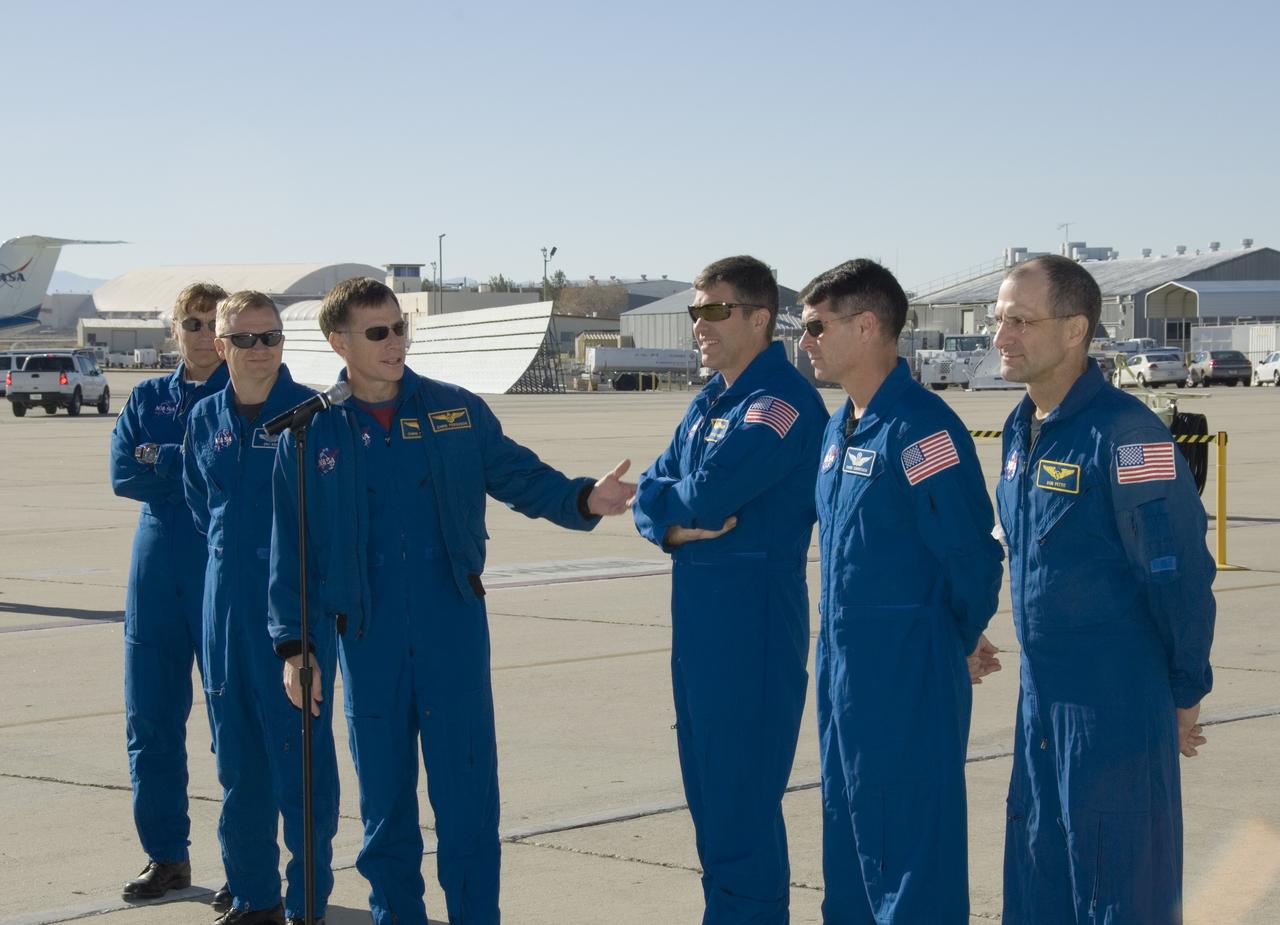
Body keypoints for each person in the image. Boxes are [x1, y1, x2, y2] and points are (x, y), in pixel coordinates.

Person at [267, 278, 635, 925]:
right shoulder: (311, 434)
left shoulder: (456, 413)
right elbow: (292, 552)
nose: (393, 342)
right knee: (385, 813)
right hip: (369, 641)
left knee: (468, 803)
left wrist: (584, 498)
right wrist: (297, 646)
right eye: (376, 332)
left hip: (453, 633)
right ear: (339, 341)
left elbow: (521, 476)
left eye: (399, 327)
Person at [993, 254, 1215, 924]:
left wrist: (1184, 689)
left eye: (1020, 321)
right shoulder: (1018, 428)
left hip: (1114, 704)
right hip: (1040, 702)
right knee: (1039, 882)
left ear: (1074, 330)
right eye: (998, 318)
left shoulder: (1128, 434)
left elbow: (1177, 570)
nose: (1001, 335)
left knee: (1124, 891)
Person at [796, 259, 1003, 923]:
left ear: (865, 326)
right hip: (843, 666)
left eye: (815, 327)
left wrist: (956, 636)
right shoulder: (841, 426)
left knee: (913, 845)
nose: (806, 342)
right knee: (850, 832)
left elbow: (971, 554)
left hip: (906, 667)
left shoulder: (922, 430)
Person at [630, 255, 828, 924]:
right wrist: (672, 525)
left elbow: (710, 495)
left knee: (741, 807)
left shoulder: (781, 403)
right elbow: (647, 497)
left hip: (752, 634)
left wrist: (675, 508)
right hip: (700, 635)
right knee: (711, 808)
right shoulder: (710, 400)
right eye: (695, 310)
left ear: (759, 318)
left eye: (714, 310)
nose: (699, 325)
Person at [183, 291, 340, 925]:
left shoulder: (313, 417)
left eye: (270, 337)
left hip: (294, 614)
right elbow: (203, 507)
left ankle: (306, 902)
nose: (259, 350)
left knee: (302, 768)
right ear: (220, 347)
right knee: (237, 763)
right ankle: (253, 897)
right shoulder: (204, 420)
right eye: (244, 339)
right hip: (222, 615)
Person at [110, 282, 234, 907]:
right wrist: (181, 463)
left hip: (221, 569)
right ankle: (167, 856)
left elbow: (227, 481)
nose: (202, 332)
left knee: (232, 723)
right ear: (174, 330)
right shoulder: (149, 395)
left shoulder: (245, 396)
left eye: (214, 322)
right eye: (191, 321)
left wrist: (166, 460)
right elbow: (122, 474)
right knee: (150, 719)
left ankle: (247, 863)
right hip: (155, 573)